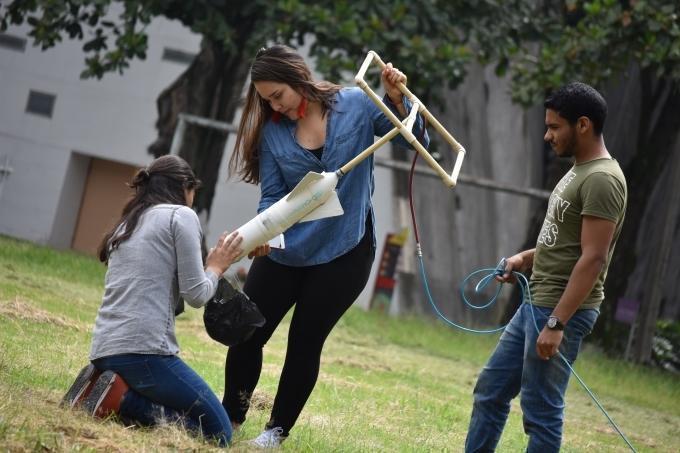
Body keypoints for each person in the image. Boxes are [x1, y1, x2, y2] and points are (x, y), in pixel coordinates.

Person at [225, 44, 430, 447]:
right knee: (245, 330)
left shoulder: (356, 104)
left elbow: (415, 139)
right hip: (288, 250)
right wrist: (268, 233)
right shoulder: (274, 133)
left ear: (297, 77)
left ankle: (274, 433)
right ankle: (229, 419)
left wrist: (394, 97)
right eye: (266, 101)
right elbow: (271, 197)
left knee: (305, 341)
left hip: (345, 252)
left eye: (278, 96)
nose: (275, 106)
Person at [465, 82, 627, 452]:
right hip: (536, 303)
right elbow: (563, 241)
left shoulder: (602, 179)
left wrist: (557, 323)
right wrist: (525, 258)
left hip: (557, 310)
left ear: (582, 125)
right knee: (490, 392)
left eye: (555, 127)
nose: (547, 135)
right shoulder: (579, 171)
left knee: (540, 413)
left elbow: (593, 257)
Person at [61, 155, 253, 447]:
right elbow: (197, 294)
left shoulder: (131, 220)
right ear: (186, 187)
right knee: (219, 432)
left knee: (184, 410)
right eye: (193, 193)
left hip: (104, 350)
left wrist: (210, 266)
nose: (192, 200)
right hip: (145, 353)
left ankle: (101, 390)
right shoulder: (181, 215)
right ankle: (120, 400)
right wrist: (216, 266)